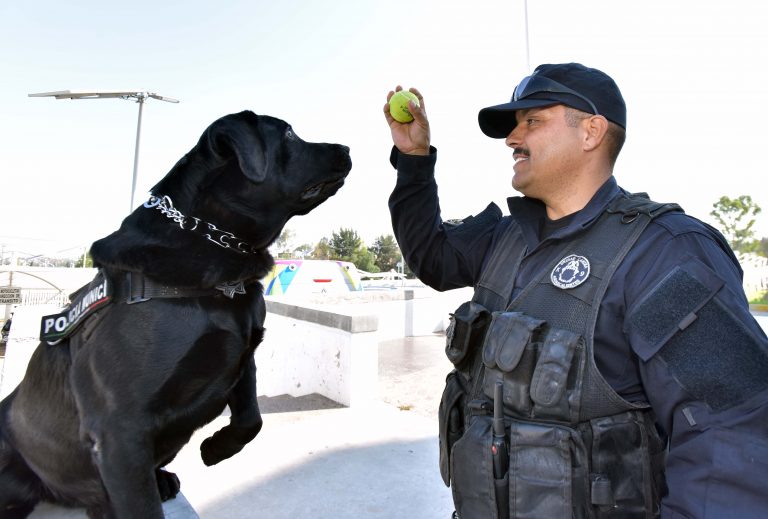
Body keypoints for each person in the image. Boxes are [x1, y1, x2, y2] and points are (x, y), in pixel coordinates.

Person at [383, 63, 768, 518]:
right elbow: (431, 257)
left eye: (532, 121)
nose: (512, 138)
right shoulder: (505, 238)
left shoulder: (665, 252)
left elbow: (731, 438)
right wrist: (413, 160)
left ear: (591, 131)